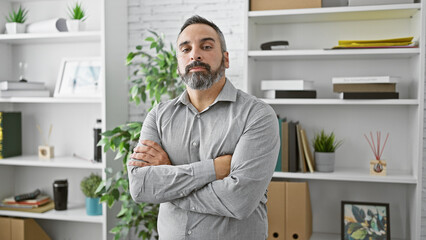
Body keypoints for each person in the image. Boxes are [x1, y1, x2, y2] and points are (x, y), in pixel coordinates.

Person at [127, 15, 280, 240]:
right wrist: (214, 170)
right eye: (185, 49)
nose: (194, 54)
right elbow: (140, 187)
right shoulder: (159, 115)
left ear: (226, 59)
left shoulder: (257, 115)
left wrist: (168, 182)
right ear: (178, 62)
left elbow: (239, 201)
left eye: (206, 46)